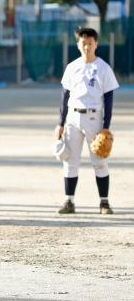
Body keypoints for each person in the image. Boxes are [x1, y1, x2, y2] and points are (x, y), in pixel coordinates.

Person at [55, 27, 119, 214]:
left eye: (90, 43)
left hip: (94, 118)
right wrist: (60, 123)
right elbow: (64, 96)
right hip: (73, 118)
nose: (87, 46)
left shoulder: (103, 68)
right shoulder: (72, 67)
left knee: (99, 161)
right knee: (70, 161)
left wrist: (106, 127)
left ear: (96, 44)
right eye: (83, 43)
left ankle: (104, 203)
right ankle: (69, 201)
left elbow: (108, 99)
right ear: (78, 44)